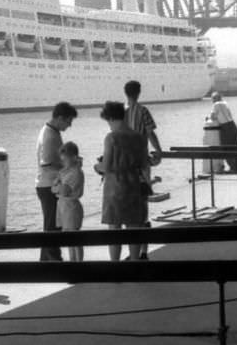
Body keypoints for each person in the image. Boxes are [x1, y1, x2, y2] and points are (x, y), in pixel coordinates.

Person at [95, 101, 149, 261]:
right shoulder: (138, 137)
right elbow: (144, 163)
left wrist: (97, 166)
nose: (109, 125)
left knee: (115, 230)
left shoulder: (111, 138)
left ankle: (116, 267)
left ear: (111, 118)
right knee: (134, 228)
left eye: (108, 122)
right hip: (133, 185)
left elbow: (106, 166)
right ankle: (134, 263)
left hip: (114, 188)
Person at [124, 79, 162, 260]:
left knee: (130, 207)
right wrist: (159, 151)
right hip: (142, 163)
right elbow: (150, 133)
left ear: (126, 93)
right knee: (143, 206)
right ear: (139, 93)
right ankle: (143, 251)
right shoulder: (143, 111)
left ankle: (132, 250)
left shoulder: (121, 113)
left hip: (125, 165)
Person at [36, 101, 78, 261]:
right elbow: (47, 164)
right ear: (60, 118)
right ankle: (56, 262)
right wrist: (68, 167)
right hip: (49, 185)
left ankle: (45, 262)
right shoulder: (50, 136)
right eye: (69, 121)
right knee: (54, 227)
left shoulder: (50, 131)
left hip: (46, 184)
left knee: (50, 225)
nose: (70, 125)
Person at [52, 141, 85, 262]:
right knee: (70, 239)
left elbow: (63, 191)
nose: (63, 163)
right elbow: (54, 187)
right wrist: (57, 187)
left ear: (74, 158)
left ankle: (78, 263)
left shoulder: (76, 173)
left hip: (71, 208)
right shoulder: (66, 172)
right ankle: (72, 262)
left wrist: (57, 187)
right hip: (64, 207)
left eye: (65, 160)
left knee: (75, 238)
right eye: (62, 160)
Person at [208, 91, 237, 172]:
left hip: (226, 128)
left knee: (226, 148)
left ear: (215, 99)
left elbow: (212, 117)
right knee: (235, 148)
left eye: (212, 99)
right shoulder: (225, 103)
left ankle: (232, 168)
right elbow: (229, 115)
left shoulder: (216, 104)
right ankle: (236, 168)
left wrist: (210, 118)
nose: (212, 100)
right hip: (233, 126)